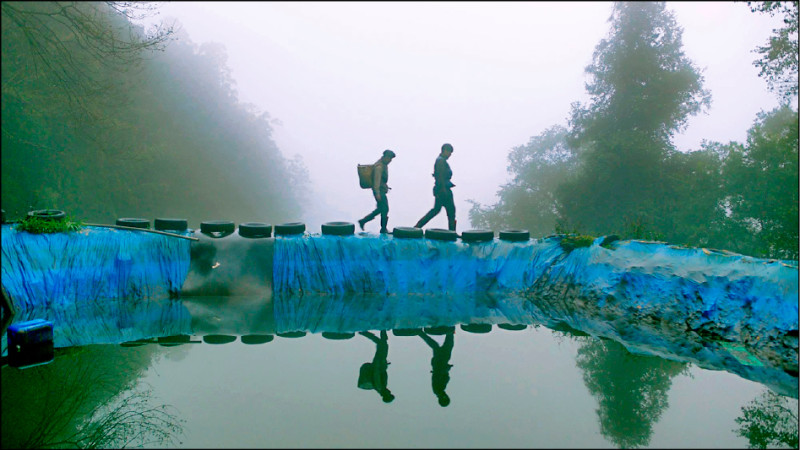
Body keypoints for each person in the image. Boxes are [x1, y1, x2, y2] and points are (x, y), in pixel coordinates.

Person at [414, 143, 456, 231]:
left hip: (442, 189)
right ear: (445, 151)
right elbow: (440, 176)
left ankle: (417, 226)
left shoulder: (441, 160)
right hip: (443, 190)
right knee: (450, 211)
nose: (450, 155)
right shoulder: (441, 161)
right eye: (449, 152)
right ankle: (452, 232)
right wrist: (443, 190)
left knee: (436, 210)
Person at [358, 149, 396, 234]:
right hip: (379, 191)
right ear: (385, 157)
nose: (390, 161)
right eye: (389, 158)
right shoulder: (379, 166)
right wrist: (377, 193)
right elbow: (376, 181)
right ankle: (383, 229)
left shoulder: (384, 165)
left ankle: (363, 221)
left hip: (381, 190)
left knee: (380, 209)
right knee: (385, 209)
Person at [416, 327, 455, 407]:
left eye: (445, 398)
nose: (446, 396)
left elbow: (438, 375)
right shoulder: (440, 389)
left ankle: (420, 333)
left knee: (439, 346)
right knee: (445, 345)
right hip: (441, 364)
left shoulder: (438, 390)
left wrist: (446, 369)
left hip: (440, 364)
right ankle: (450, 329)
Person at [357, 330, 395, 403]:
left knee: (383, 345)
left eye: (389, 394)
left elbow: (376, 373)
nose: (389, 392)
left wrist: (378, 363)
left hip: (379, 362)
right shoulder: (381, 387)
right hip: (381, 363)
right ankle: (379, 332)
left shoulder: (379, 387)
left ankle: (380, 330)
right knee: (382, 344)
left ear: (385, 395)